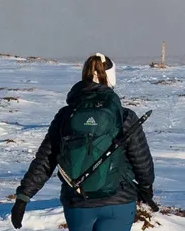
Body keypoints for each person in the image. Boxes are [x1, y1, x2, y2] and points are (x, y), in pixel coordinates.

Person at [11, 53, 157, 231]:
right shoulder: (124, 116)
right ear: (111, 78)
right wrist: (146, 187)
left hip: (78, 203)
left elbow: (45, 159)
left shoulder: (66, 115)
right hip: (119, 201)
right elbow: (141, 159)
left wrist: (23, 197)